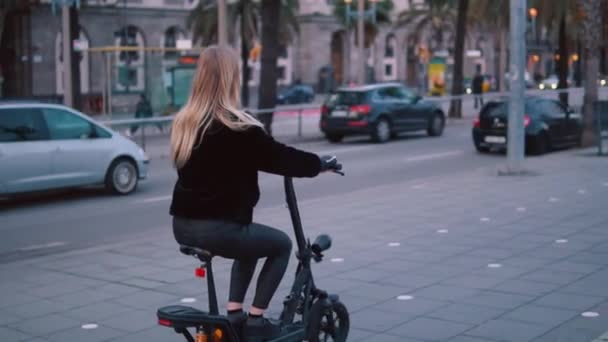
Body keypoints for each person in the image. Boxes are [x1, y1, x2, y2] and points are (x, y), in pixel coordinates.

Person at [169, 46, 338, 340]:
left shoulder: (186, 122)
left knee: (250, 239)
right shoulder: (237, 125)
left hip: (183, 227)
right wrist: (319, 164)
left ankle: (235, 314)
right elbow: (279, 157)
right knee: (281, 245)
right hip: (217, 229)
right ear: (232, 79)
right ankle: (257, 322)